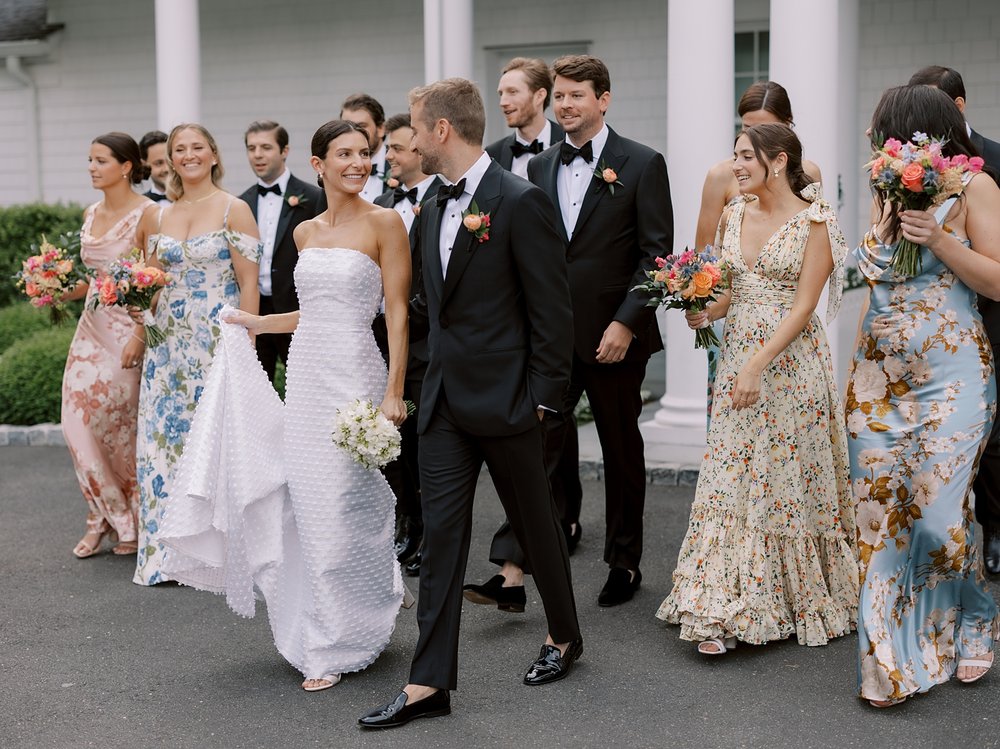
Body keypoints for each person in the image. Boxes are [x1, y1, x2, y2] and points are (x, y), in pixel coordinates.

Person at [359, 78, 581, 730]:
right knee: (443, 538)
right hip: (444, 405)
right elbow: (432, 307)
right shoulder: (429, 205)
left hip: (512, 403)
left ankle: (565, 635)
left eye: (413, 128)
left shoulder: (520, 202)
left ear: (442, 131)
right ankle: (428, 682)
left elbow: (552, 311)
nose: (406, 141)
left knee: (536, 528)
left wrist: (545, 402)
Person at [161, 119, 412, 692]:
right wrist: (254, 321)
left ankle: (353, 617)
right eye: (343, 154)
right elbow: (308, 315)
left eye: (364, 153)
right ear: (319, 164)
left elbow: (395, 312)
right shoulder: (303, 232)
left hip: (353, 374)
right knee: (308, 505)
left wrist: (393, 390)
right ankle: (325, 630)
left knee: (347, 501)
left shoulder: (385, 223)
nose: (357, 162)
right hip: (304, 378)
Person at [468, 54, 673, 613]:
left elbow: (656, 257)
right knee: (537, 453)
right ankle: (513, 573)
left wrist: (625, 324)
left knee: (620, 453)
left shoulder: (643, 163)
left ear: (603, 99)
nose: (565, 105)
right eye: (559, 96)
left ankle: (624, 562)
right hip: (551, 343)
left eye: (576, 95)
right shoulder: (538, 168)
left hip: (614, 342)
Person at [656, 123, 857, 656]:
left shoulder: (816, 222)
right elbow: (731, 292)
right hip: (739, 358)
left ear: (778, 161)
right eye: (735, 155)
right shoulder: (734, 213)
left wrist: (756, 366)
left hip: (792, 367)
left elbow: (804, 306)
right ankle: (718, 602)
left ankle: (790, 597)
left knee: (784, 479)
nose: (735, 166)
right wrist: (701, 310)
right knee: (730, 477)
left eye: (745, 157)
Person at [846, 85, 1000, 707]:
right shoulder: (889, 192)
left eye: (881, 128)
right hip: (879, 381)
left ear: (913, 134)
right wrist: (854, 377)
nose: (873, 138)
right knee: (880, 520)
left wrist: (939, 238)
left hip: (954, 376)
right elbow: (878, 286)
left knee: (938, 515)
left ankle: (975, 615)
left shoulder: (977, 189)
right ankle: (887, 662)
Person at [132, 123, 261, 586]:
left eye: (196, 148)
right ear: (168, 159)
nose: (187, 155)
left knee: (214, 442)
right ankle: (164, 555)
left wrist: (246, 346)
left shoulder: (234, 208)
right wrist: (133, 305)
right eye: (178, 149)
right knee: (163, 443)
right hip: (166, 346)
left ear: (212, 155)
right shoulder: (156, 217)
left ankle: (218, 555)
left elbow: (249, 283)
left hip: (216, 340)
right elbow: (144, 278)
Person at [908, 65, 1000, 575]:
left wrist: (942, 239)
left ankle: (995, 530)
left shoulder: (987, 171)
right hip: (909, 352)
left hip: (980, 321)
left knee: (984, 444)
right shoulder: (895, 181)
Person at [695, 81, 823, 428]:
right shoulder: (722, 176)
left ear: (788, 124)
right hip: (734, 318)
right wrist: (699, 304)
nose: (754, 135)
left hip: (786, 322)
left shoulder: (808, 179)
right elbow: (705, 256)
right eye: (747, 128)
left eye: (764, 127)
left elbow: (807, 258)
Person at [61, 132, 155, 558]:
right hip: (90, 330)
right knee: (74, 424)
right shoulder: (90, 211)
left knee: (117, 430)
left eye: (100, 160)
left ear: (126, 166)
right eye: (90, 160)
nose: (92, 167)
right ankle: (103, 517)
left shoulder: (149, 215)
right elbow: (95, 283)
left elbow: (154, 284)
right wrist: (60, 288)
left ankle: (127, 522)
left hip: (126, 333)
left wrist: (140, 335)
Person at [374, 113, 444, 576]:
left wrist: (412, 317)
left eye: (397, 148)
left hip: (422, 341)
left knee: (421, 447)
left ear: (420, 150)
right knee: (389, 444)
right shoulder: (380, 203)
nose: (390, 157)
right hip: (374, 336)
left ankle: (428, 534)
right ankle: (403, 522)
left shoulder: (444, 199)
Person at [238, 120, 325, 383]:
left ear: (284, 151)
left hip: (297, 311)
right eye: (252, 148)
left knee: (304, 385)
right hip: (255, 311)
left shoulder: (313, 197)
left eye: (266, 147)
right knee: (255, 389)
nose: (258, 155)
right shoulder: (242, 202)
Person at [485, 56, 565, 180]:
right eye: (501, 94)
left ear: (539, 96)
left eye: (512, 92)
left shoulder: (569, 143)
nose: (503, 102)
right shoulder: (493, 154)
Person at [341, 93, 390, 203]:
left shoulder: (401, 166)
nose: (354, 133)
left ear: (381, 128)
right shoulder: (335, 169)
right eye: (346, 126)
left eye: (361, 126)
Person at [139, 130, 171, 206]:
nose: (167, 169)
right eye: (159, 163)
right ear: (144, 165)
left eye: (170, 161)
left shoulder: (196, 199)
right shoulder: (138, 205)